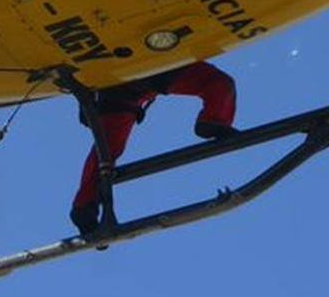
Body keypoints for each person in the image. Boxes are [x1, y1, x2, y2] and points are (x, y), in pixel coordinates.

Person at [70, 61, 238, 235]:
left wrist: (85, 94)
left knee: (106, 149)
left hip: (116, 88)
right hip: (148, 69)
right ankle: (214, 120)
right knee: (219, 83)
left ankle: (84, 207)